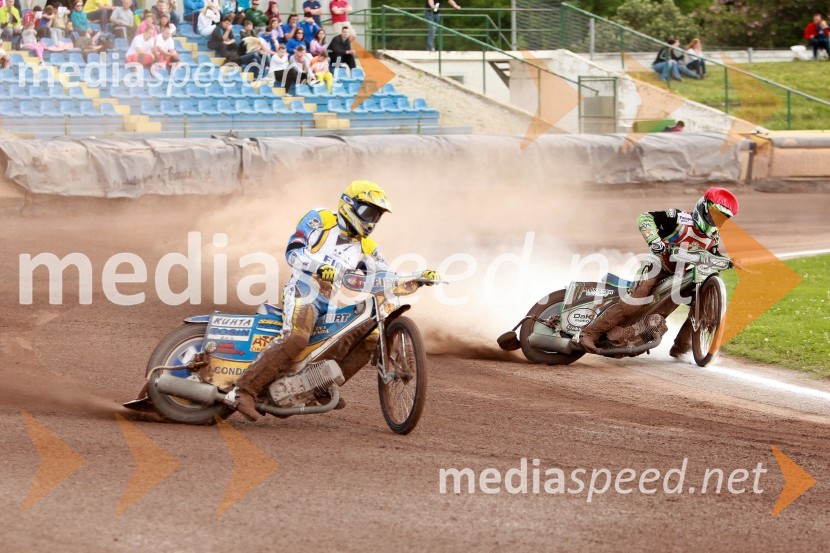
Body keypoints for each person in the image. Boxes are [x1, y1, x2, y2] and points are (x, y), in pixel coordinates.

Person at [221, 181, 440, 421]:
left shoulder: (366, 246)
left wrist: (417, 277)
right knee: (296, 338)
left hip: (328, 302)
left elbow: (384, 275)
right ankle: (242, 391)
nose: (371, 222)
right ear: (349, 206)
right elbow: (293, 251)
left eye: (376, 216)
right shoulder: (320, 219)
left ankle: (316, 386)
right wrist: (318, 267)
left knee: (364, 339)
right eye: (368, 213)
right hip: (303, 291)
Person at [578, 187, 739, 358]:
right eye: (715, 213)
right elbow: (645, 217)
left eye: (722, 217)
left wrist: (730, 262)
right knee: (636, 301)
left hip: (680, 274)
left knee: (700, 303)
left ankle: (682, 347)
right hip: (657, 264)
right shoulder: (679, 218)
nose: (716, 219)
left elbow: (712, 254)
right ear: (703, 206)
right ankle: (589, 333)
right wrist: (654, 239)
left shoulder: (713, 236)